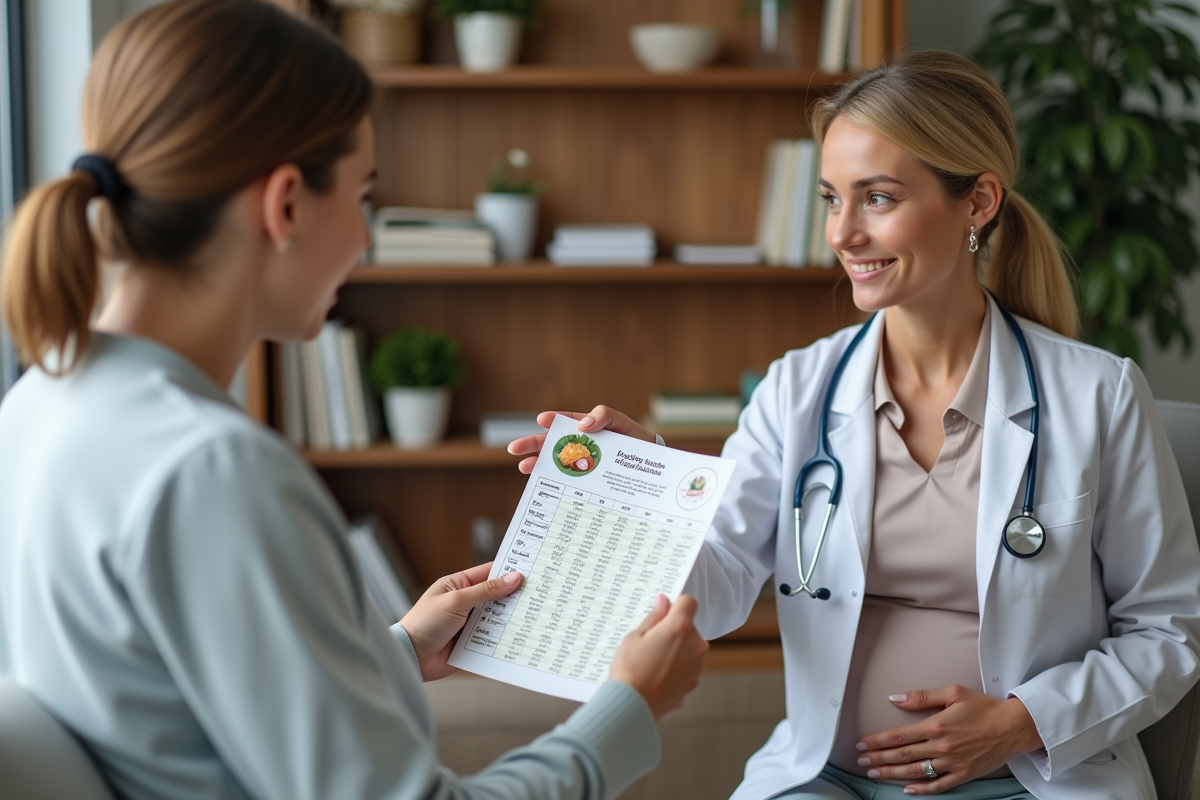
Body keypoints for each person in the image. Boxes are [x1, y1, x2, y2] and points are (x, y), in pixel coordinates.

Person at [0, 2, 709, 799]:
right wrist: (629, 708)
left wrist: (397, 650)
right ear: (287, 205)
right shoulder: (216, 470)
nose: (366, 239)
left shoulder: (40, 404)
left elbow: (171, 707)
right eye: (363, 197)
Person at [509, 51, 1200, 800]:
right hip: (825, 780)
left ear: (978, 202)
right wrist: (648, 493)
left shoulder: (1098, 395)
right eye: (832, 199)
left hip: (1027, 778)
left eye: (877, 198)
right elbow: (720, 583)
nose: (842, 233)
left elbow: (1169, 629)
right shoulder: (797, 389)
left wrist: (1020, 722)